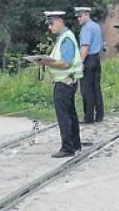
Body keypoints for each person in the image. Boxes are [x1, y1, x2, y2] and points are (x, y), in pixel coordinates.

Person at [37, 11, 83, 158]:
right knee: (70, 114)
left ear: (60, 21)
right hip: (67, 81)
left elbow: (65, 63)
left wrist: (45, 62)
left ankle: (67, 148)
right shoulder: (63, 38)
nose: (50, 27)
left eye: (51, 23)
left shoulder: (66, 39)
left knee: (64, 116)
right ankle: (75, 144)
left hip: (64, 82)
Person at [75, 7, 104, 123]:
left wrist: (79, 63)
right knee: (96, 88)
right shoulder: (96, 26)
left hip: (88, 59)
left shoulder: (86, 28)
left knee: (87, 90)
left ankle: (89, 117)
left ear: (87, 14)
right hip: (96, 58)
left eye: (80, 16)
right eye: (77, 16)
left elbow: (85, 47)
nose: (78, 19)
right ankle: (99, 115)